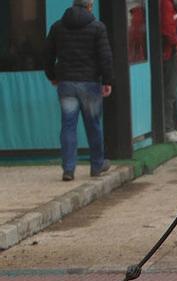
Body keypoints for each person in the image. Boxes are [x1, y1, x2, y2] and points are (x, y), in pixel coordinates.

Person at [43, 0, 113, 182]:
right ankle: (97, 165)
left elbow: (48, 54)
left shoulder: (57, 27)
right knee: (93, 125)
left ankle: (68, 169)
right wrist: (107, 80)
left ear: (73, 5)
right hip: (90, 83)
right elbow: (105, 56)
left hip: (66, 83)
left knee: (68, 126)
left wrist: (52, 76)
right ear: (89, 7)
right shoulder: (98, 27)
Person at [161, 0, 177, 143]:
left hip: (173, 51)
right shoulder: (166, 4)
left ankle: (172, 127)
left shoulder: (172, 5)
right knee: (169, 92)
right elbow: (167, 28)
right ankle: (168, 129)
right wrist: (175, 45)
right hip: (170, 53)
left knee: (172, 91)